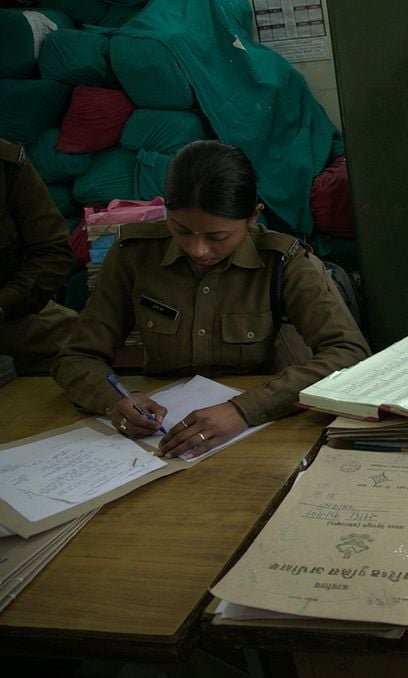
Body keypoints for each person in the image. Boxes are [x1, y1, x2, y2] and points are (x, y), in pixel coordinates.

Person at [52, 140, 371, 457]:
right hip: (163, 435)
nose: (198, 249)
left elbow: (348, 353)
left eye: (218, 237)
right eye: (182, 230)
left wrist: (244, 410)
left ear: (252, 217)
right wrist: (114, 400)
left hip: (263, 428)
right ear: (166, 211)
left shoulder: (283, 262)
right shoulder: (133, 256)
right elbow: (77, 357)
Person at [0, 137, 79, 375]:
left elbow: (51, 252)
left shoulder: (6, 166)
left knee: (79, 343)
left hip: (9, 314)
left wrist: (5, 304)